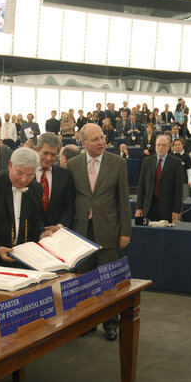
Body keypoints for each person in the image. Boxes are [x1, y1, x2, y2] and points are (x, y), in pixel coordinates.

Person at [67, 123, 131, 341]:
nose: (101, 142)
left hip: (109, 231)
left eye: (102, 137)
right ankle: (87, 322)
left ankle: (111, 324)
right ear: (83, 143)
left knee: (108, 280)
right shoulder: (73, 164)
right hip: (80, 232)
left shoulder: (118, 163)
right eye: (95, 139)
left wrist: (125, 231)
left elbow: (124, 200)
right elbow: (70, 199)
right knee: (84, 280)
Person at [135, 134, 184, 223]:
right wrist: (139, 207)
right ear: (155, 146)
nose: (160, 147)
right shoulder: (147, 161)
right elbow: (141, 186)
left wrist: (176, 211)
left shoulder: (176, 163)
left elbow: (178, 189)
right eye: (158, 145)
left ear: (169, 147)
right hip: (149, 206)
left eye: (164, 145)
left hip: (167, 208)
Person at [36, 133, 75, 232]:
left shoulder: (65, 175)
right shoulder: (26, 173)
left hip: (55, 235)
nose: (49, 158)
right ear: (37, 150)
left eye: (53, 155)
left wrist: (60, 226)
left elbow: (70, 206)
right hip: (29, 235)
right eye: (46, 153)